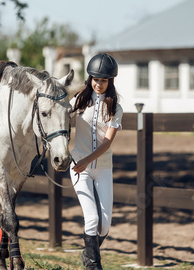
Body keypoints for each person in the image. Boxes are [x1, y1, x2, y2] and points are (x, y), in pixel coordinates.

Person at [70, 53, 123, 270]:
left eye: (102, 80)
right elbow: (58, 119)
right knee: (91, 218)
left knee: (104, 225)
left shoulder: (115, 108)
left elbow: (107, 142)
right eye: (95, 79)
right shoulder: (78, 100)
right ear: (90, 78)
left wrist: (87, 160)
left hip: (102, 169)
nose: (98, 84)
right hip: (78, 169)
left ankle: (88, 253)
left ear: (110, 81)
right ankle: (93, 266)